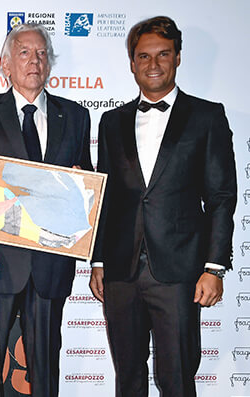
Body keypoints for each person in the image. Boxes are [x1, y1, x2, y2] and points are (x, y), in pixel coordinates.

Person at [89, 16, 236, 397]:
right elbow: (105, 197)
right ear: (132, 63)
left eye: (163, 55)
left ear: (178, 58)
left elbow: (221, 197)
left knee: (176, 379)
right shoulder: (111, 122)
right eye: (143, 56)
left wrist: (214, 268)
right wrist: (99, 261)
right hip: (121, 273)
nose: (153, 64)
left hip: (179, 273)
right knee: (128, 378)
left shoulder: (207, 117)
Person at [0, 23, 92, 396]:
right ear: (6, 65)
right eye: (25, 53)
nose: (35, 60)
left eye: (42, 53)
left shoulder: (75, 117)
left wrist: (82, 185)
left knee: (46, 374)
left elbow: (88, 189)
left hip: (50, 264)